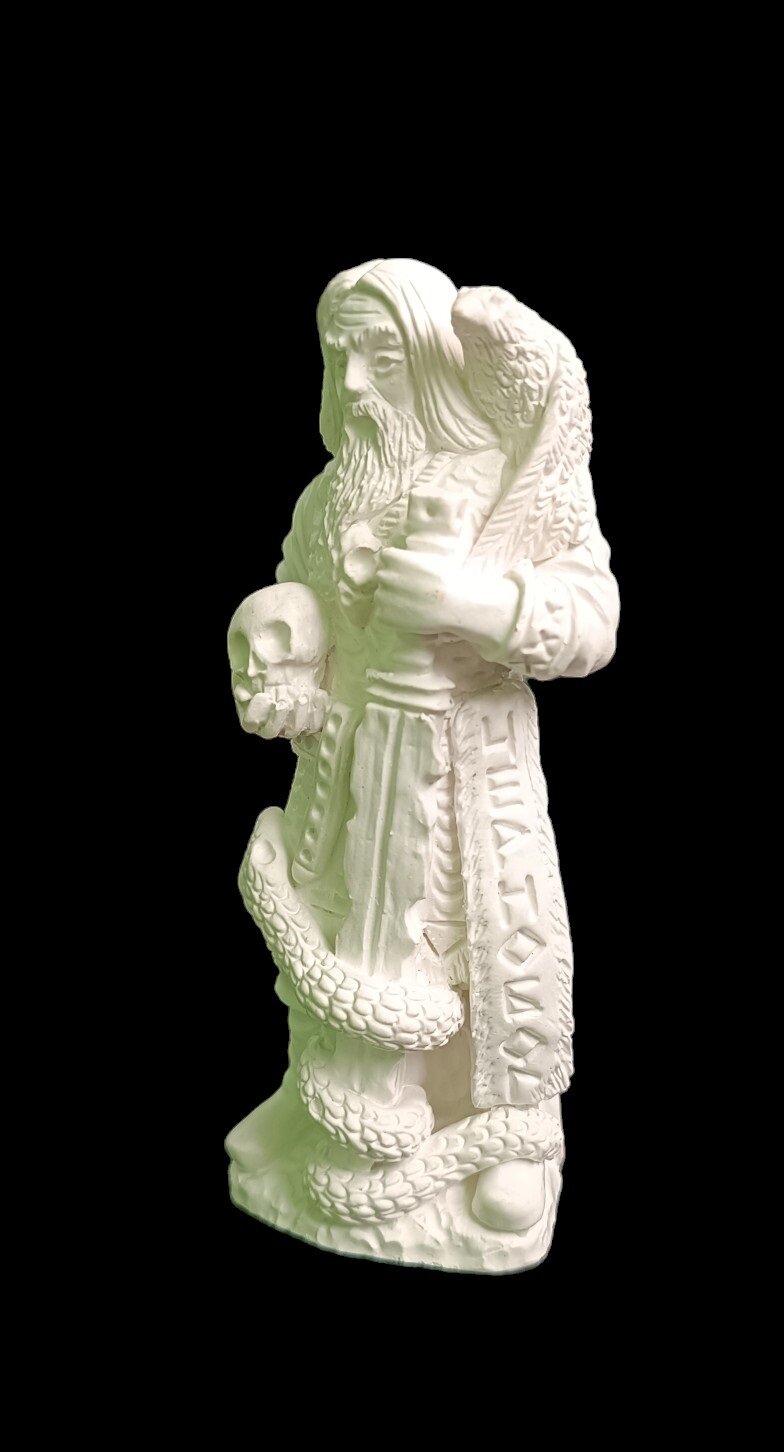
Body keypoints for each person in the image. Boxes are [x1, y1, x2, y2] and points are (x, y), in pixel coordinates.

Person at [227, 259, 619, 1270]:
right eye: (340, 358)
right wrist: (281, 639)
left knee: (490, 949)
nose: (357, 383)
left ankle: (511, 1131)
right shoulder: (329, 497)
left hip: (468, 773)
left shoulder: (505, 482)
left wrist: (463, 602)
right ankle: (323, 1090)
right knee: (337, 929)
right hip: (346, 758)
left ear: (432, 364)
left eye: (383, 358)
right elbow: (301, 590)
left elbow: (590, 618)